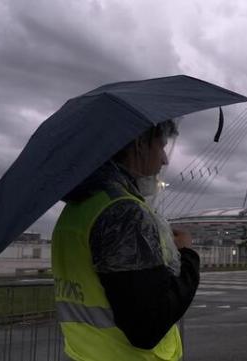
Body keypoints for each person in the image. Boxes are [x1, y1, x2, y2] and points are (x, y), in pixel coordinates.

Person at [51, 120, 200, 361]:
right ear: (140, 144)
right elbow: (148, 325)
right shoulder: (124, 214)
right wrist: (188, 257)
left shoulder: (77, 210)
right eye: (161, 146)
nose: (165, 159)